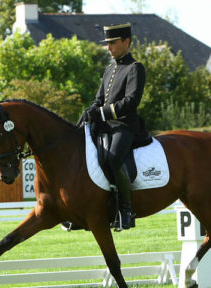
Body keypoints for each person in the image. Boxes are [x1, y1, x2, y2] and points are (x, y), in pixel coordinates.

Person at [79, 22, 149, 230]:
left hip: (125, 125)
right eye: (107, 44)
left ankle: (126, 210)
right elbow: (99, 98)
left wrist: (101, 113)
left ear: (126, 41)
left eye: (112, 43)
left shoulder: (135, 68)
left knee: (113, 157)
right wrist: (89, 112)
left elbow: (131, 102)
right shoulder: (110, 69)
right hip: (105, 125)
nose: (108, 48)